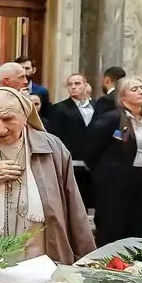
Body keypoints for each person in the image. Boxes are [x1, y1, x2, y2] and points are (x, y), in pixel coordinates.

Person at [0, 87, 94, 264]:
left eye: (8, 119)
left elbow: (74, 206)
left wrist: (86, 260)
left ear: (25, 116)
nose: (0, 129)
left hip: (43, 257)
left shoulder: (52, 148)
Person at [87, 76, 142, 244]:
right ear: (122, 97)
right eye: (134, 89)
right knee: (115, 227)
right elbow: (91, 150)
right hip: (117, 184)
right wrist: (104, 176)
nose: (140, 91)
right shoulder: (112, 118)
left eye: (141, 87)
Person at [48, 73, 95, 212]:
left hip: (93, 161)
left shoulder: (96, 106)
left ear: (86, 86)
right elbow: (56, 136)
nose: (73, 87)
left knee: (91, 197)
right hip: (72, 159)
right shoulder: (59, 108)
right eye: (70, 84)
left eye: (77, 84)